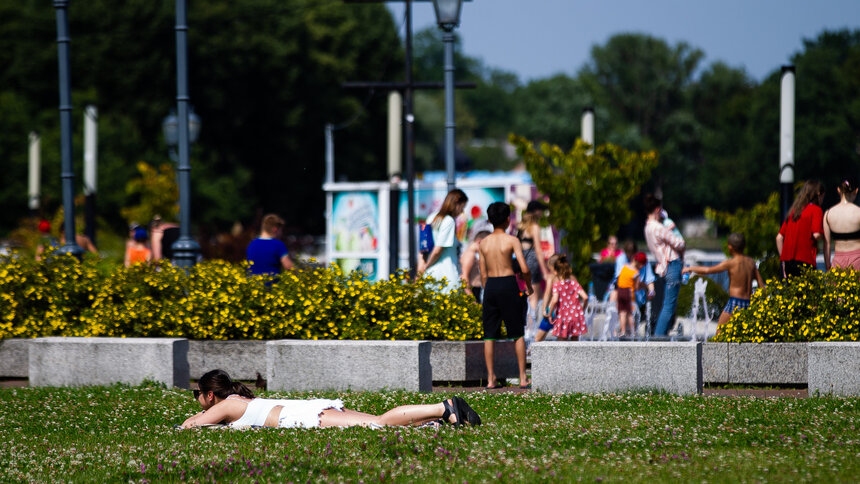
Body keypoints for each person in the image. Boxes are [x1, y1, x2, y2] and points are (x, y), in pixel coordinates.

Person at [180, 369, 480, 429]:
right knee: (376, 422)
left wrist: (196, 418)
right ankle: (440, 418)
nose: (197, 400)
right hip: (307, 409)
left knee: (377, 423)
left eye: (198, 394)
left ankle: (442, 407)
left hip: (301, 417)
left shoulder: (228, 405)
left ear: (209, 395)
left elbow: (189, 426)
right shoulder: (237, 402)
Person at [479, 202, 533, 390]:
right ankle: (523, 377)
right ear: (508, 219)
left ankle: (490, 379)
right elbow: (525, 269)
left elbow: (483, 274)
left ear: (490, 220)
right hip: (508, 284)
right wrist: (529, 287)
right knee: (517, 333)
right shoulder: (512, 241)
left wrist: (489, 291)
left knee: (489, 335)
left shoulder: (483, 243)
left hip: (491, 286)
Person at [683, 233, 765, 336]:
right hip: (748, 302)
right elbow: (761, 285)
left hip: (735, 302)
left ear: (730, 247)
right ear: (744, 246)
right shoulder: (751, 262)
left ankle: (719, 351)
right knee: (745, 333)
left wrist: (690, 268)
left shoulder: (731, 263)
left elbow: (708, 270)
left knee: (720, 332)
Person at [643, 194, 686, 336]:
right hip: (672, 264)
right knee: (669, 306)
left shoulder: (647, 228)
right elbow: (679, 243)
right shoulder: (658, 228)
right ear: (657, 209)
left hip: (662, 266)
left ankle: (661, 336)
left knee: (667, 305)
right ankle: (659, 338)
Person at [417, 189, 468, 293]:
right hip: (447, 276)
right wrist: (427, 266)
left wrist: (422, 270)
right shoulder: (449, 221)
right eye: (462, 207)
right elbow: (438, 249)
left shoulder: (432, 217)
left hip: (430, 277)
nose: (461, 212)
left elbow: (424, 248)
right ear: (457, 204)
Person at [776, 180, 825, 278]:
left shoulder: (794, 211)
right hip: (805, 260)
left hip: (789, 261)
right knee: (809, 292)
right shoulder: (816, 210)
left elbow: (779, 237)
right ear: (819, 194)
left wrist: (783, 261)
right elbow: (816, 234)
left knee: (793, 291)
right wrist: (825, 233)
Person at [517, 200, 550, 325]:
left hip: (522, 260)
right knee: (534, 296)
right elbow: (538, 249)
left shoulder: (521, 226)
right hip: (533, 261)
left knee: (530, 293)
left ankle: (530, 323)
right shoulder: (535, 227)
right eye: (541, 210)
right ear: (536, 211)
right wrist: (544, 270)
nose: (542, 213)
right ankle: (531, 326)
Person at [543, 254, 589, 341]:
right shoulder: (574, 283)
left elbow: (555, 300)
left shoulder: (557, 285)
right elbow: (585, 297)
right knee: (574, 344)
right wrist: (582, 310)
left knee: (562, 344)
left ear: (555, 272)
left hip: (563, 318)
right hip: (576, 317)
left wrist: (550, 314)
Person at [823, 176, 860, 271]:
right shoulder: (858, 212)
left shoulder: (828, 214)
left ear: (838, 190)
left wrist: (828, 266)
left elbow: (826, 244)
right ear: (856, 191)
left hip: (838, 260)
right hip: (857, 259)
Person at [616, 252, 647, 337]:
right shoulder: (636, 273)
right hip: (629, 293)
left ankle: (622, 331)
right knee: (630, 313)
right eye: (642, 265)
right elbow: (636, 287)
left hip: (620, 291)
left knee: (622, 312)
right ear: (639, 263)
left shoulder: (625, 266)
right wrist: (643, 286)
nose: (642, 267)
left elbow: (620, 279)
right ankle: (633, 331)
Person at [460, 221, 492, 302]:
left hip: (477, 290)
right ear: (479, 241)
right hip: (472, 291)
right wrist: (471, 298)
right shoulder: (470, 254)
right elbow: (464, 277)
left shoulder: (476, 254)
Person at [534, 254, 562, 342]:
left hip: (552, 312)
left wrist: (544, 310)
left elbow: (547, 294)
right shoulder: (566, 277)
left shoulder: (551, 277)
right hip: (562, 311)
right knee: (561, 338)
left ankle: (531, 353)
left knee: (538, 338)